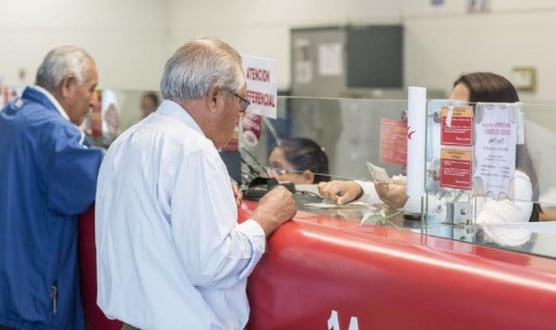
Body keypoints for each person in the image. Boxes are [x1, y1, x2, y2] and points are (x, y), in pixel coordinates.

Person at [95, 37, 296, 330]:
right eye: (241, 102)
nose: (240, 118)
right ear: (215, 96)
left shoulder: (127, 141)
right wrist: (265, 219)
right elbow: (213, 264)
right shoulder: (194, 150)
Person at [0, 45, 105, 329]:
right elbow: (106, 178)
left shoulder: (12, 115)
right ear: (68, 84)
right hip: (30, 304)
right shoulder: (55, 132)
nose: (94, 100)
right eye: (91, 88)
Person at [319, 72, 541, 225]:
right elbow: (402, 187)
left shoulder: (514, 182)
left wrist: (414, 202)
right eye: (448, 110)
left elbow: (479, 233)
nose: (448, 119)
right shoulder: (449, 164)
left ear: (493, 120)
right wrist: (357, 188)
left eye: (459, 111)